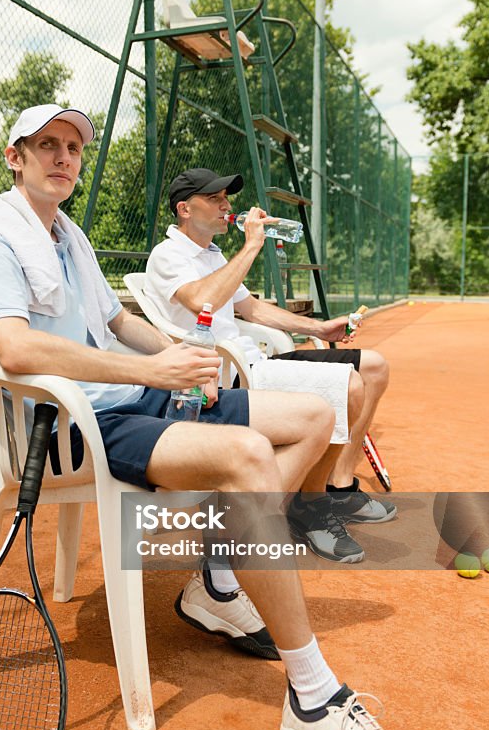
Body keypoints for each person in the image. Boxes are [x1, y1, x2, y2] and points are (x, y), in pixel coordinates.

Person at [0, 103, 432, 730]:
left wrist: (175, 353)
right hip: (72, 427)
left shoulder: (67, 236)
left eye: (73, 148)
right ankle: (312, 699)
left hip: (125, 400)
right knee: (245, 455)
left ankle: (214, 579)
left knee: (309, 414)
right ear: (14, 156)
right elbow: (17, 350)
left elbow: (117, 321)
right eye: (46, 146)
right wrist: (150, 373)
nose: (63, 157)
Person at [145, 167, 396, 574]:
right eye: (216, 198)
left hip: (257, 362)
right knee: (349, 386)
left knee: (374, 366)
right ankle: (310, 505)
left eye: (227, 196)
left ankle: (339, 485)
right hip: (231, 374)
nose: (228, 205)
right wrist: (251, 247)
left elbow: (251, 309)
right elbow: (201, 301)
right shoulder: (168, 255)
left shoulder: (212, 253)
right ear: (184, 209)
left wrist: (318, 327)